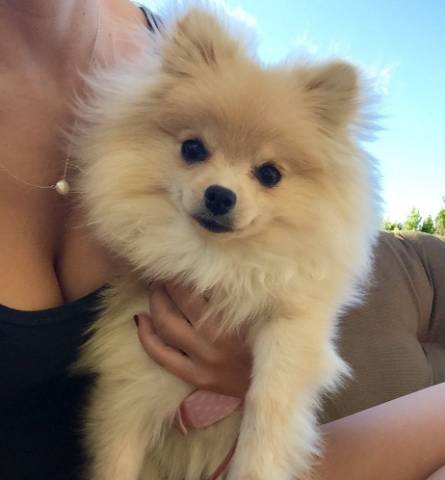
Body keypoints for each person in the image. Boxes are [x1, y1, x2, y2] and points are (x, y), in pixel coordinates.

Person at [0, 1, 443, 479]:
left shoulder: (161, 42)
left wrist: (254, 383)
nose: (222, 189)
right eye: (196, 150)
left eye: (267, 174)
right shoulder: (156, 101)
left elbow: (299, 322)